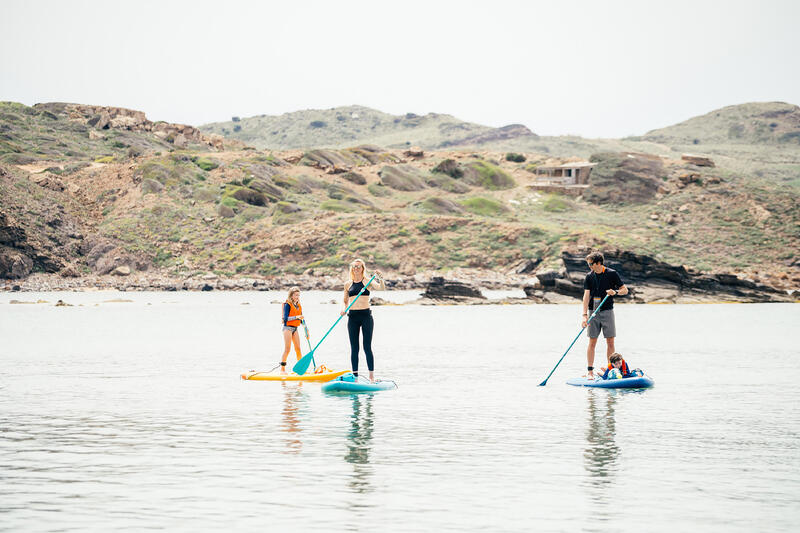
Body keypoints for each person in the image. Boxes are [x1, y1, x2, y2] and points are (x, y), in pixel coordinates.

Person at [581, 251, 629, 379]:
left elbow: (625, 290)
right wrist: (584, 315)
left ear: (598, 263)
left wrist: (615, 292)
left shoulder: (612, 274)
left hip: (607, 311)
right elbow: (586, 296)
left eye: (591, 264)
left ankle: (611, 370)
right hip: (593, 312)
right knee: (592, 341)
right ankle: (590, 372)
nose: (589, 267)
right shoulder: (589, 276)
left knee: (610, 342)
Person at [341, 259, 385, 382]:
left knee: (367, 347)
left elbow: (381, 288)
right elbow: (345, 301)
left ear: (362, 268)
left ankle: (371, 377)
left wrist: (380, 278)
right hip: (352, 317)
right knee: (354, 348)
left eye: (358, 266)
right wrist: (344, 309)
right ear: (352, 268)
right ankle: (355, 378)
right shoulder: (347, 284)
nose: (356, 268)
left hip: (366, 316)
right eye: (354, 266)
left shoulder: (367, 282)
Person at [280, 286, 304, 374]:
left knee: (298, 349)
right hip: (287, 328)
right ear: (291, 296)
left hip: (295, 329)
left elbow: (301, 319)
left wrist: (306, 329)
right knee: (287, 349)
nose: (297, 297)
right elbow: (285, 319)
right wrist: (296, 317)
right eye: (296, 295)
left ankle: (300, 369)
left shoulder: (298, 305)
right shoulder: (287, 305)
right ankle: (282, 369)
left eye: (298, 295)